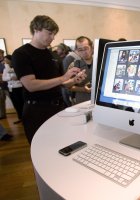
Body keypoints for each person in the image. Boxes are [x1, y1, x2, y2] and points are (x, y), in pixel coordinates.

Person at [12, 15, 86, 144]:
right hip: (37, 111)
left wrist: (74, 81)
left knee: (61, 144)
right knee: (41, 148)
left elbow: (61, 83)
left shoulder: (53, 55)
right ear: (36, 29)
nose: (52, 38)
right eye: (49, 33)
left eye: (54, 34)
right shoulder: (21, 54)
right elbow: (31, 85)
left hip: (58, 107)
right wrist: (63, 77)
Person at [68, 36, 94, 104]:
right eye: (80, 50)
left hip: (98, 102)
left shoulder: (101, 63)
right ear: (77, 51)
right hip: (81, 101)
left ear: (91, 47)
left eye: (86, 48)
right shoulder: (74, 65)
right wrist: (83, 89)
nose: (84, 52)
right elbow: (68, 86)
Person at [2, 55, 24, 124]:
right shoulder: (5, 69)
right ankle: (20, 118)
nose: (5, 61)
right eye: (5, 60)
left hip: (19, 87)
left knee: (21, 103)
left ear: (10, 59)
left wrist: (17, 77)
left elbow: (22, 75)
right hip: (11, 88)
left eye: (6, 60)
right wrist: (10, 78)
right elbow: (3, 78)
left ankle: (25, 118)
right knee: (15, 104)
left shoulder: (17, 66)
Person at [0, 49, 8, 119]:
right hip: (1, 86)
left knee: (15, 101)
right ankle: (2, 115)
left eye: (0, 54)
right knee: (1, 101)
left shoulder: (6, 61)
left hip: (8, 85)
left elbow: (8, 72)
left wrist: (2, 75)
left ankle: (20, 116)